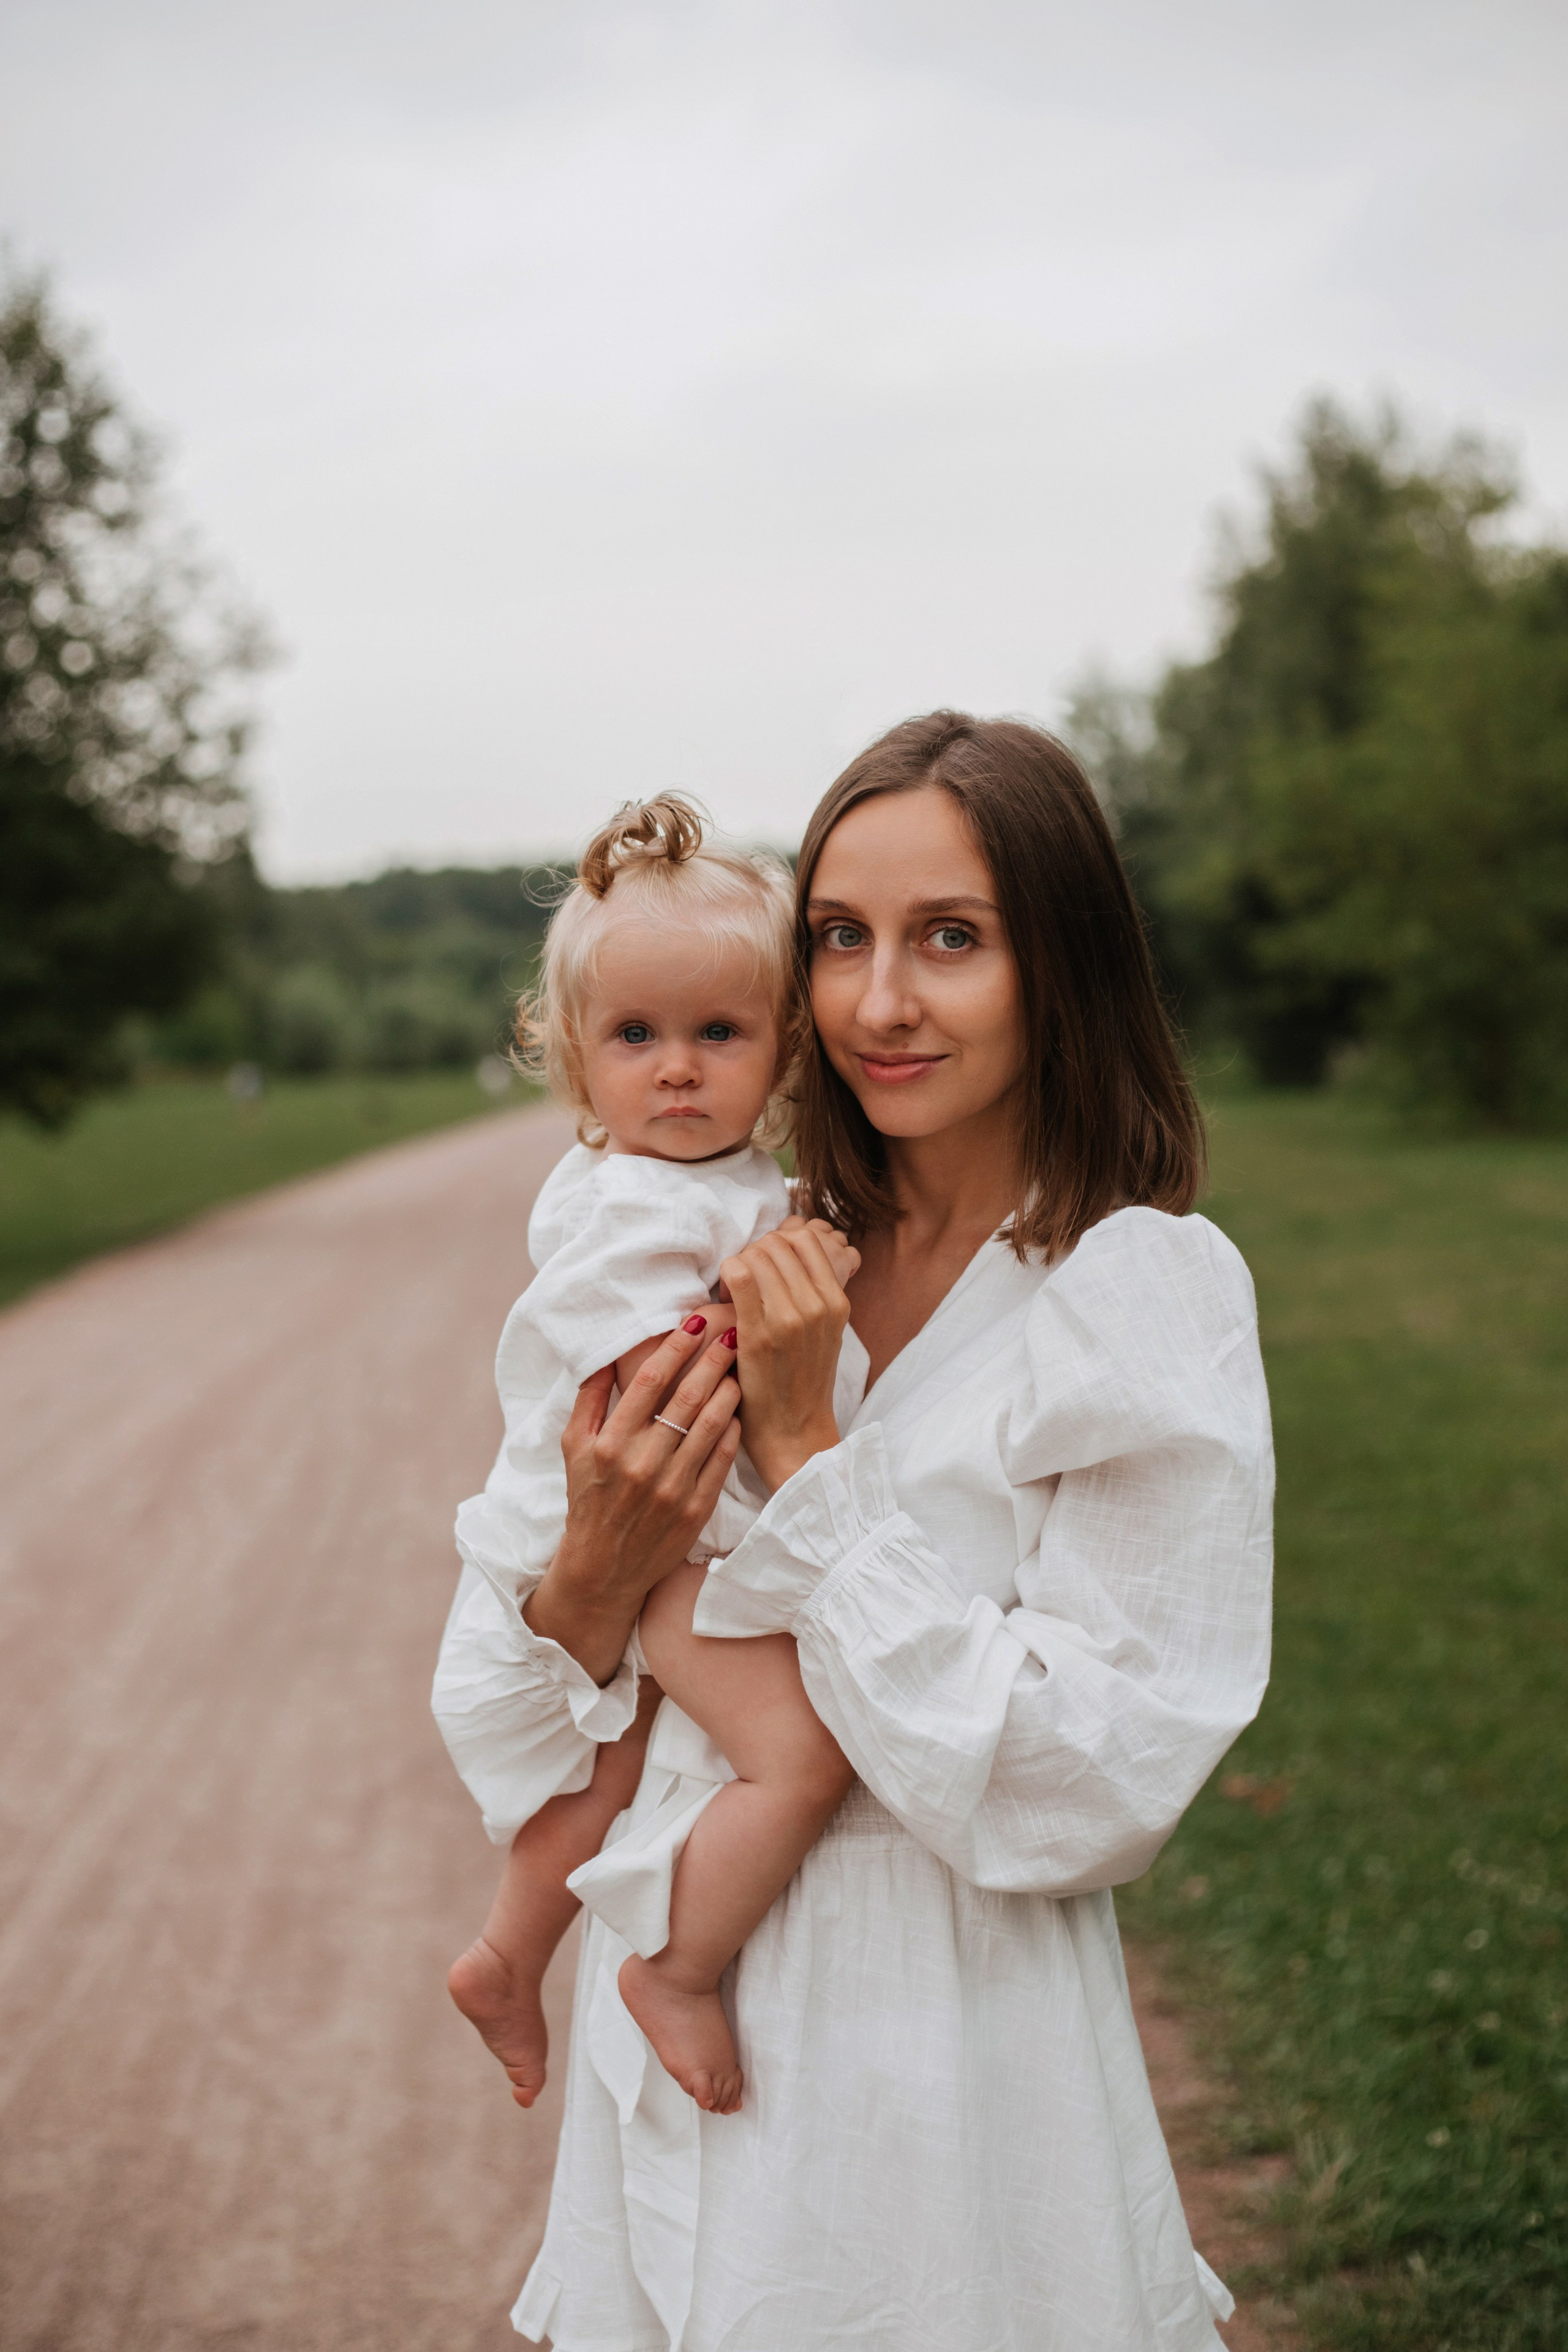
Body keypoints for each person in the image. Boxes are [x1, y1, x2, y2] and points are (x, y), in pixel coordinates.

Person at [434, 712, 1275, 2352]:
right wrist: (592, 1578)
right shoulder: (756, 1238)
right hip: (686, 2029)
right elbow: (517, 1688)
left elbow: (1083, 1780)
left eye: (950, 938)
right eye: (839, 938)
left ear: (1065, 965)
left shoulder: (1130, 1293)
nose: (880, 1000)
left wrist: (813, 1450)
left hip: (944, 2053)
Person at [435, 796, 859, 2122]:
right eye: (636, 1037)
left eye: (715, 1034)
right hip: (657, 1532)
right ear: (573, 1059)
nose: (676, 1069)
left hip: (654, 1535)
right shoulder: (630, 1203)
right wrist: (765, 1314)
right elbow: (637, 1385)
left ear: (782, 1051)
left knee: (603, 1769)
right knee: (799, 1755)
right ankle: (675, 1968)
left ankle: (510, 1952)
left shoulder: (715, 1186)